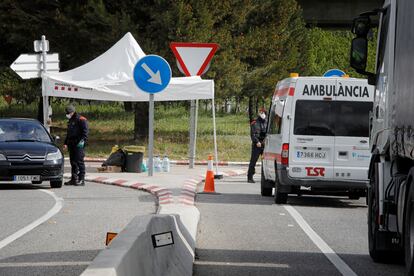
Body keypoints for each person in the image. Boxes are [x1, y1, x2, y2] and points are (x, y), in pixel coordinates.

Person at [63, 104, 88, 186]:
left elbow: (85, 133)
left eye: (68, 113)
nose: (67, 115)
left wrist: (82, 142)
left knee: (79, 161)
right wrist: (65, 143)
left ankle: (81, 179)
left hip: (79, 144)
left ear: (72, 112)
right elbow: (69, 134)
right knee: (73, 162)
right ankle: (74, 179)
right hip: (71, 144)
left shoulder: (81, 119)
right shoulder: (70, 121)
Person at [247, 108, 267, 183]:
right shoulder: (255, 123)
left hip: (265, 144)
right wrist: (257, 142)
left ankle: (265, 177)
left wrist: (265, 140)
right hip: (257, 145)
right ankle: (250, 177)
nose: (262, 114)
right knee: (253, 161)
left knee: (265, 162)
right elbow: (253, 134)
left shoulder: (267, 122)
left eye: (263, 112)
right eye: (260, 112)